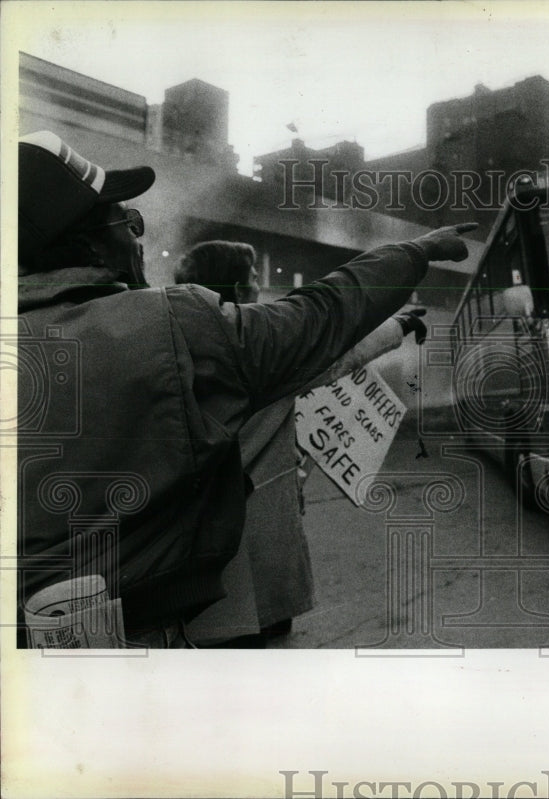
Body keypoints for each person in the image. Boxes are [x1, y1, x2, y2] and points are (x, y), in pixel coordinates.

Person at [16, 130, 474, 647]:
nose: (138, 240)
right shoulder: (179, 329)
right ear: (90, 239)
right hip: (169, 626)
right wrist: (415, 251)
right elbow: (319, 325)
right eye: (130, 222)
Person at [174, 241, 426, 646]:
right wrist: (398, 327)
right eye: (254, 278)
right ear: (238, 292)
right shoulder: (261, 352)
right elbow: (337, 355)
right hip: (254, 549)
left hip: (189, 559)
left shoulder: (171, 348)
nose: (260, 286)